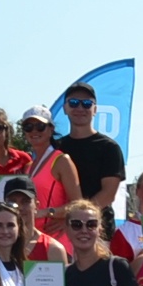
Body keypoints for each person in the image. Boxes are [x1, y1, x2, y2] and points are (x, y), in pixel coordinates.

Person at [56, 81, 126, 218]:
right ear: (65, 108)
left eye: (87, 103)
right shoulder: (55, 147)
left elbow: (108, 195)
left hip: (98, 228)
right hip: (59, 227)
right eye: (74, 103)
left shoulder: (109, 148)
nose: (80, 108)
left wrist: (77, 218)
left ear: (95, 110)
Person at [16, 106, 81, 239]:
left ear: (51, 129)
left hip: (58, 240)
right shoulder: (29, 166)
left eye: (40, 126)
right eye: (28, 127)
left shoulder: (62, 160)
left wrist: (47, 213)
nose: (34, 131)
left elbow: (78, 205)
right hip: (33, 241)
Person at [1, 175, 70, 266]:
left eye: (25, 201)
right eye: (13, 202)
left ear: (36, 206)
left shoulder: (52, 249)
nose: (20, 207)